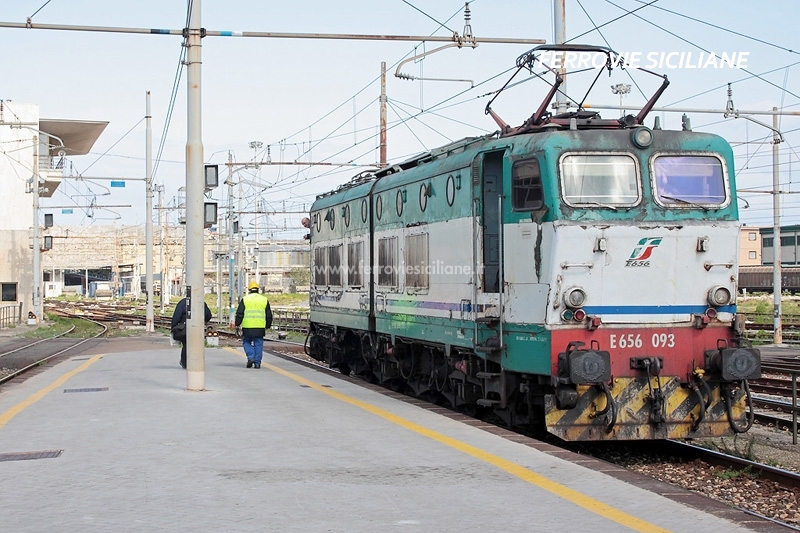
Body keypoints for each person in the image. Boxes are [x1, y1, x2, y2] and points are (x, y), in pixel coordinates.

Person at [234, 281, 273, 369]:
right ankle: (257, 363)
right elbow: (269, 315)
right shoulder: (264, 299)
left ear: (249, 290)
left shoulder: (245, 299)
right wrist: (268, 325)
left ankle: (251, 357)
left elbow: (240, 313)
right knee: (258, 344)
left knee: (246, 342)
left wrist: (237, 324)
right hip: (260, 327)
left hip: (248, 326)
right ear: (258, 290)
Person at [171, 297, 213, 369]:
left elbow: (176, 316)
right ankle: (197, 361)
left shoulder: (183, 302)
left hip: (184, 329)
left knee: (186, 345)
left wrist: (173, 327)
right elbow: (208, 315)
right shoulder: (201, 302)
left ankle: (185, 363)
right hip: (198, 328)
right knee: (197, 344)